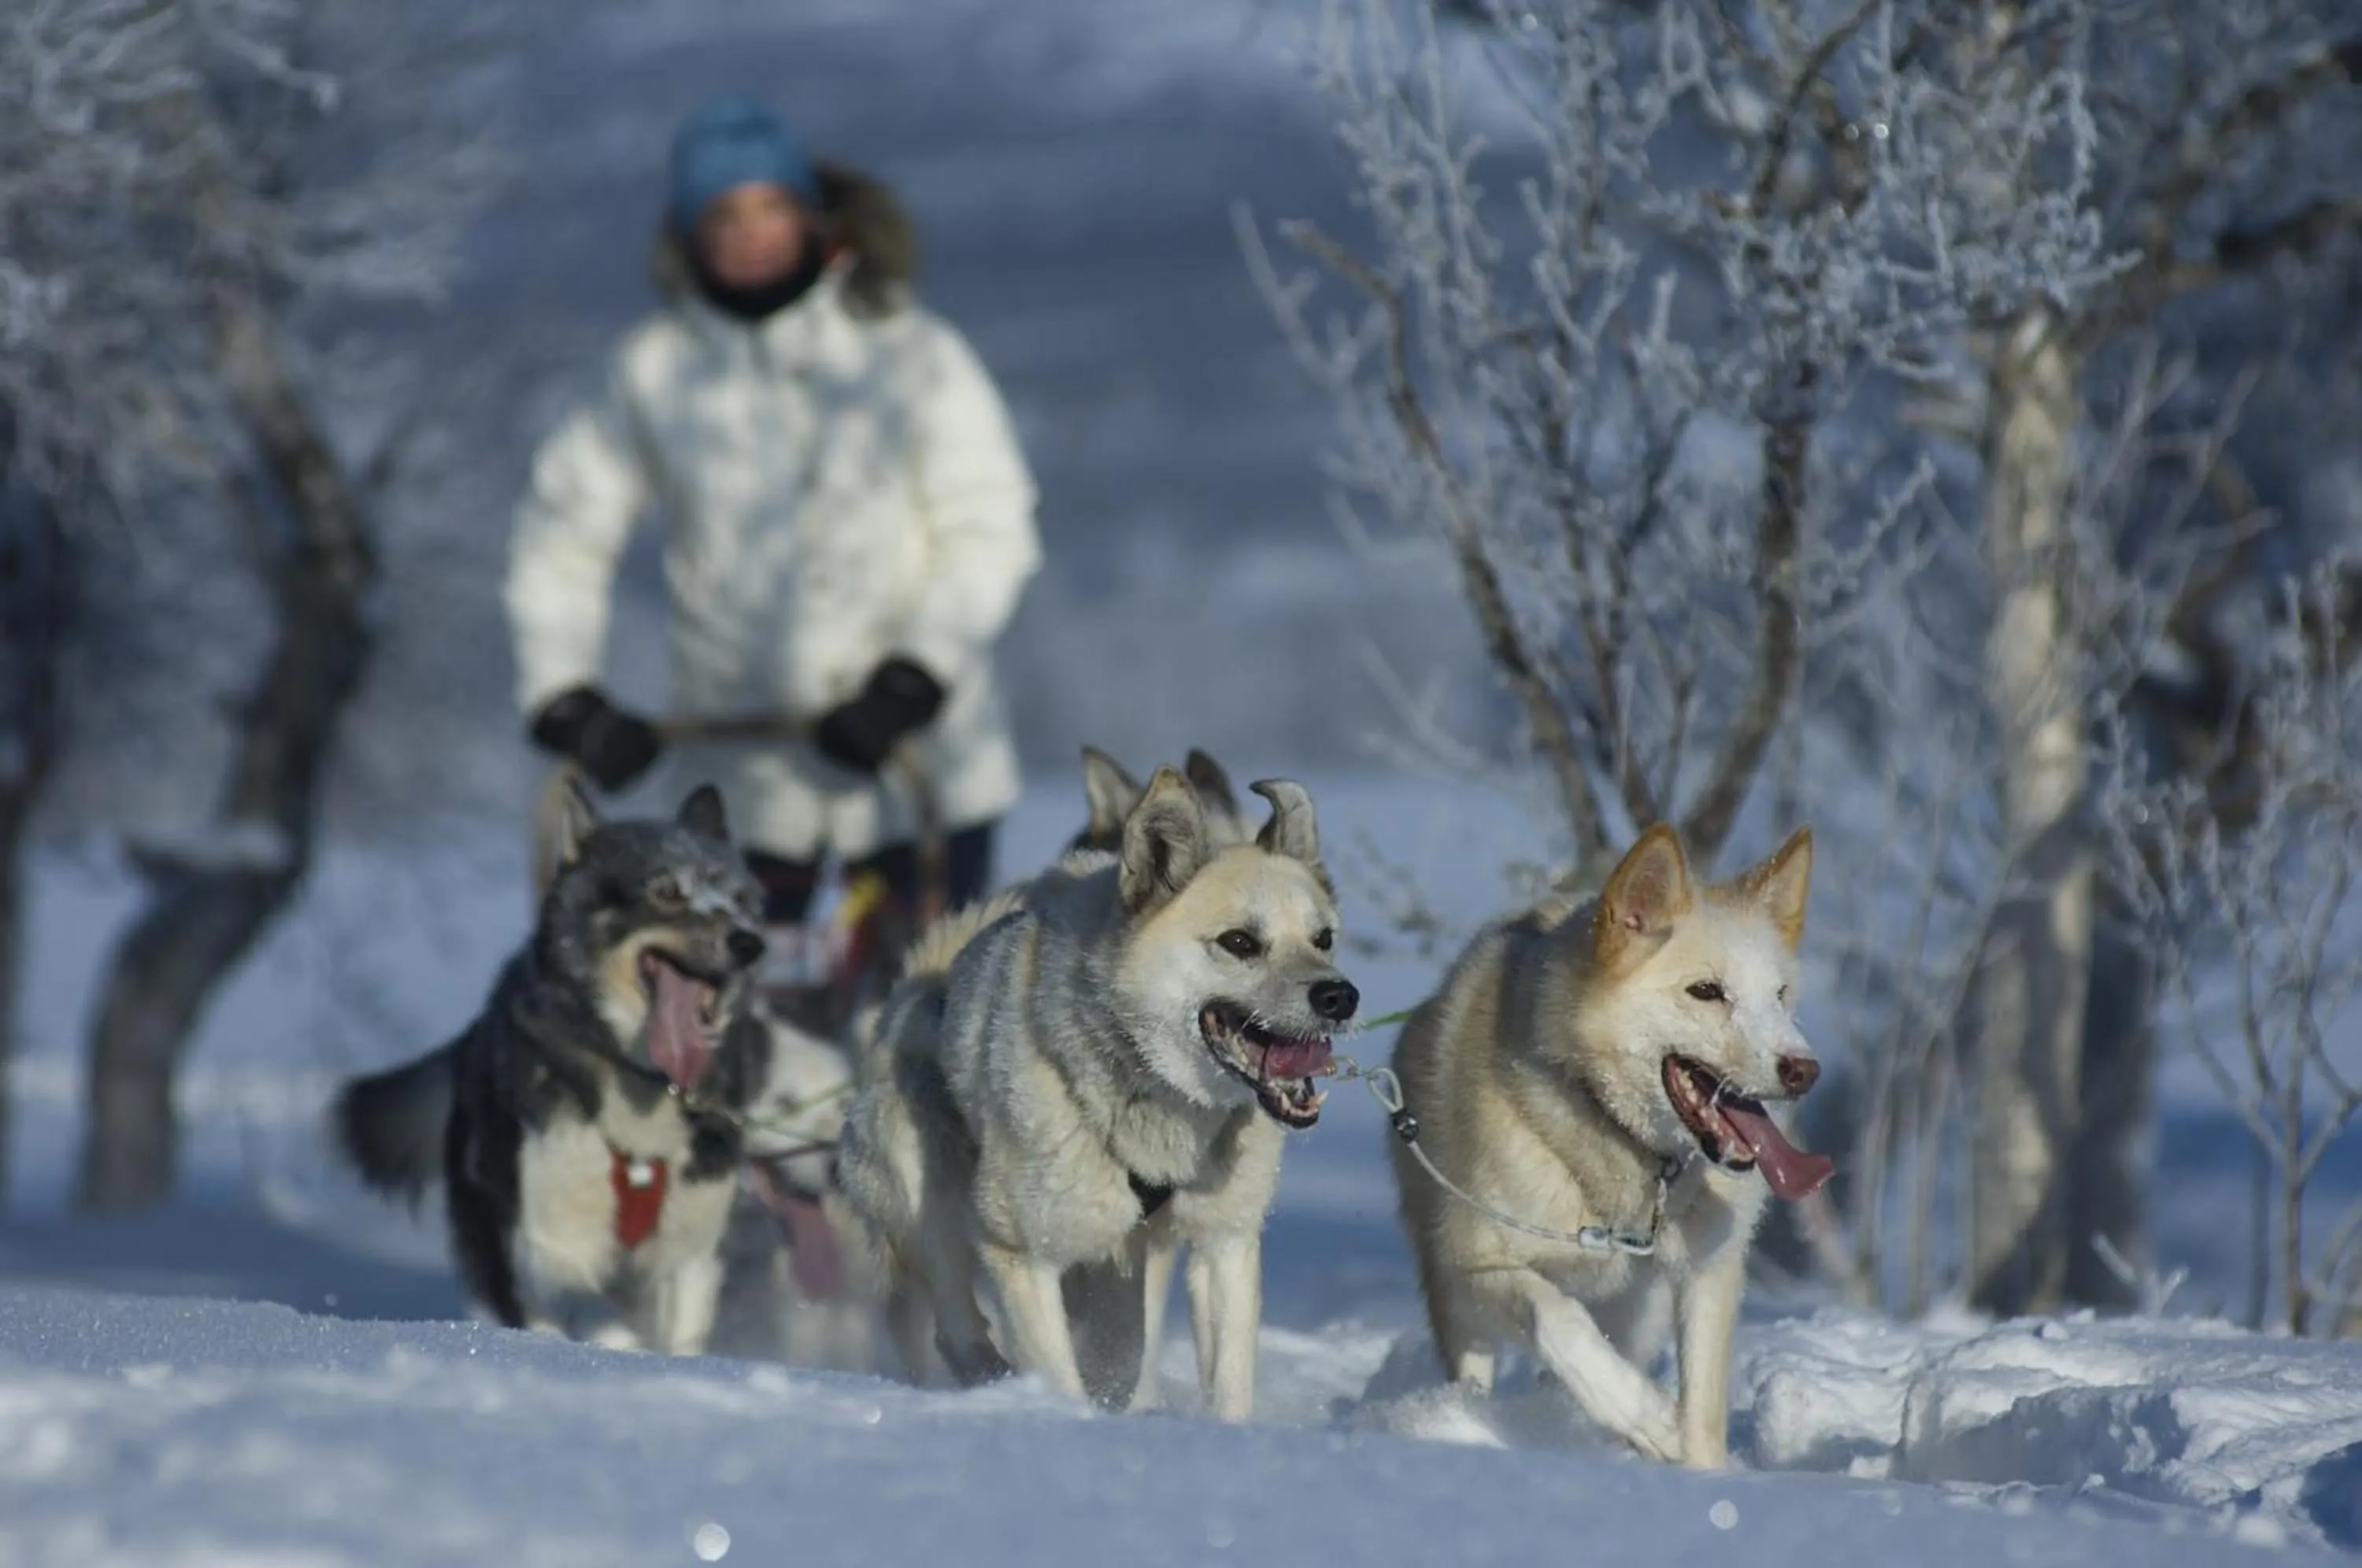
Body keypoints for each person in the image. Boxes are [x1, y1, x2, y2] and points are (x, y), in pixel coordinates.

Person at [505, 97, 1042, 952]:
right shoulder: (649, 371)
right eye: (723, 213)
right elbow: (561, 537)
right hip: (745, 781)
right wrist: (566, 694)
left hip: (919, 775)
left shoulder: (908, 351)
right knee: (743, 1048)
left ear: (808, 213)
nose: (750, 232)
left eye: (769, 206)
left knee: (933, 1039)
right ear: (688, 232)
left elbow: (990, 528)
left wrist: (913, 676)